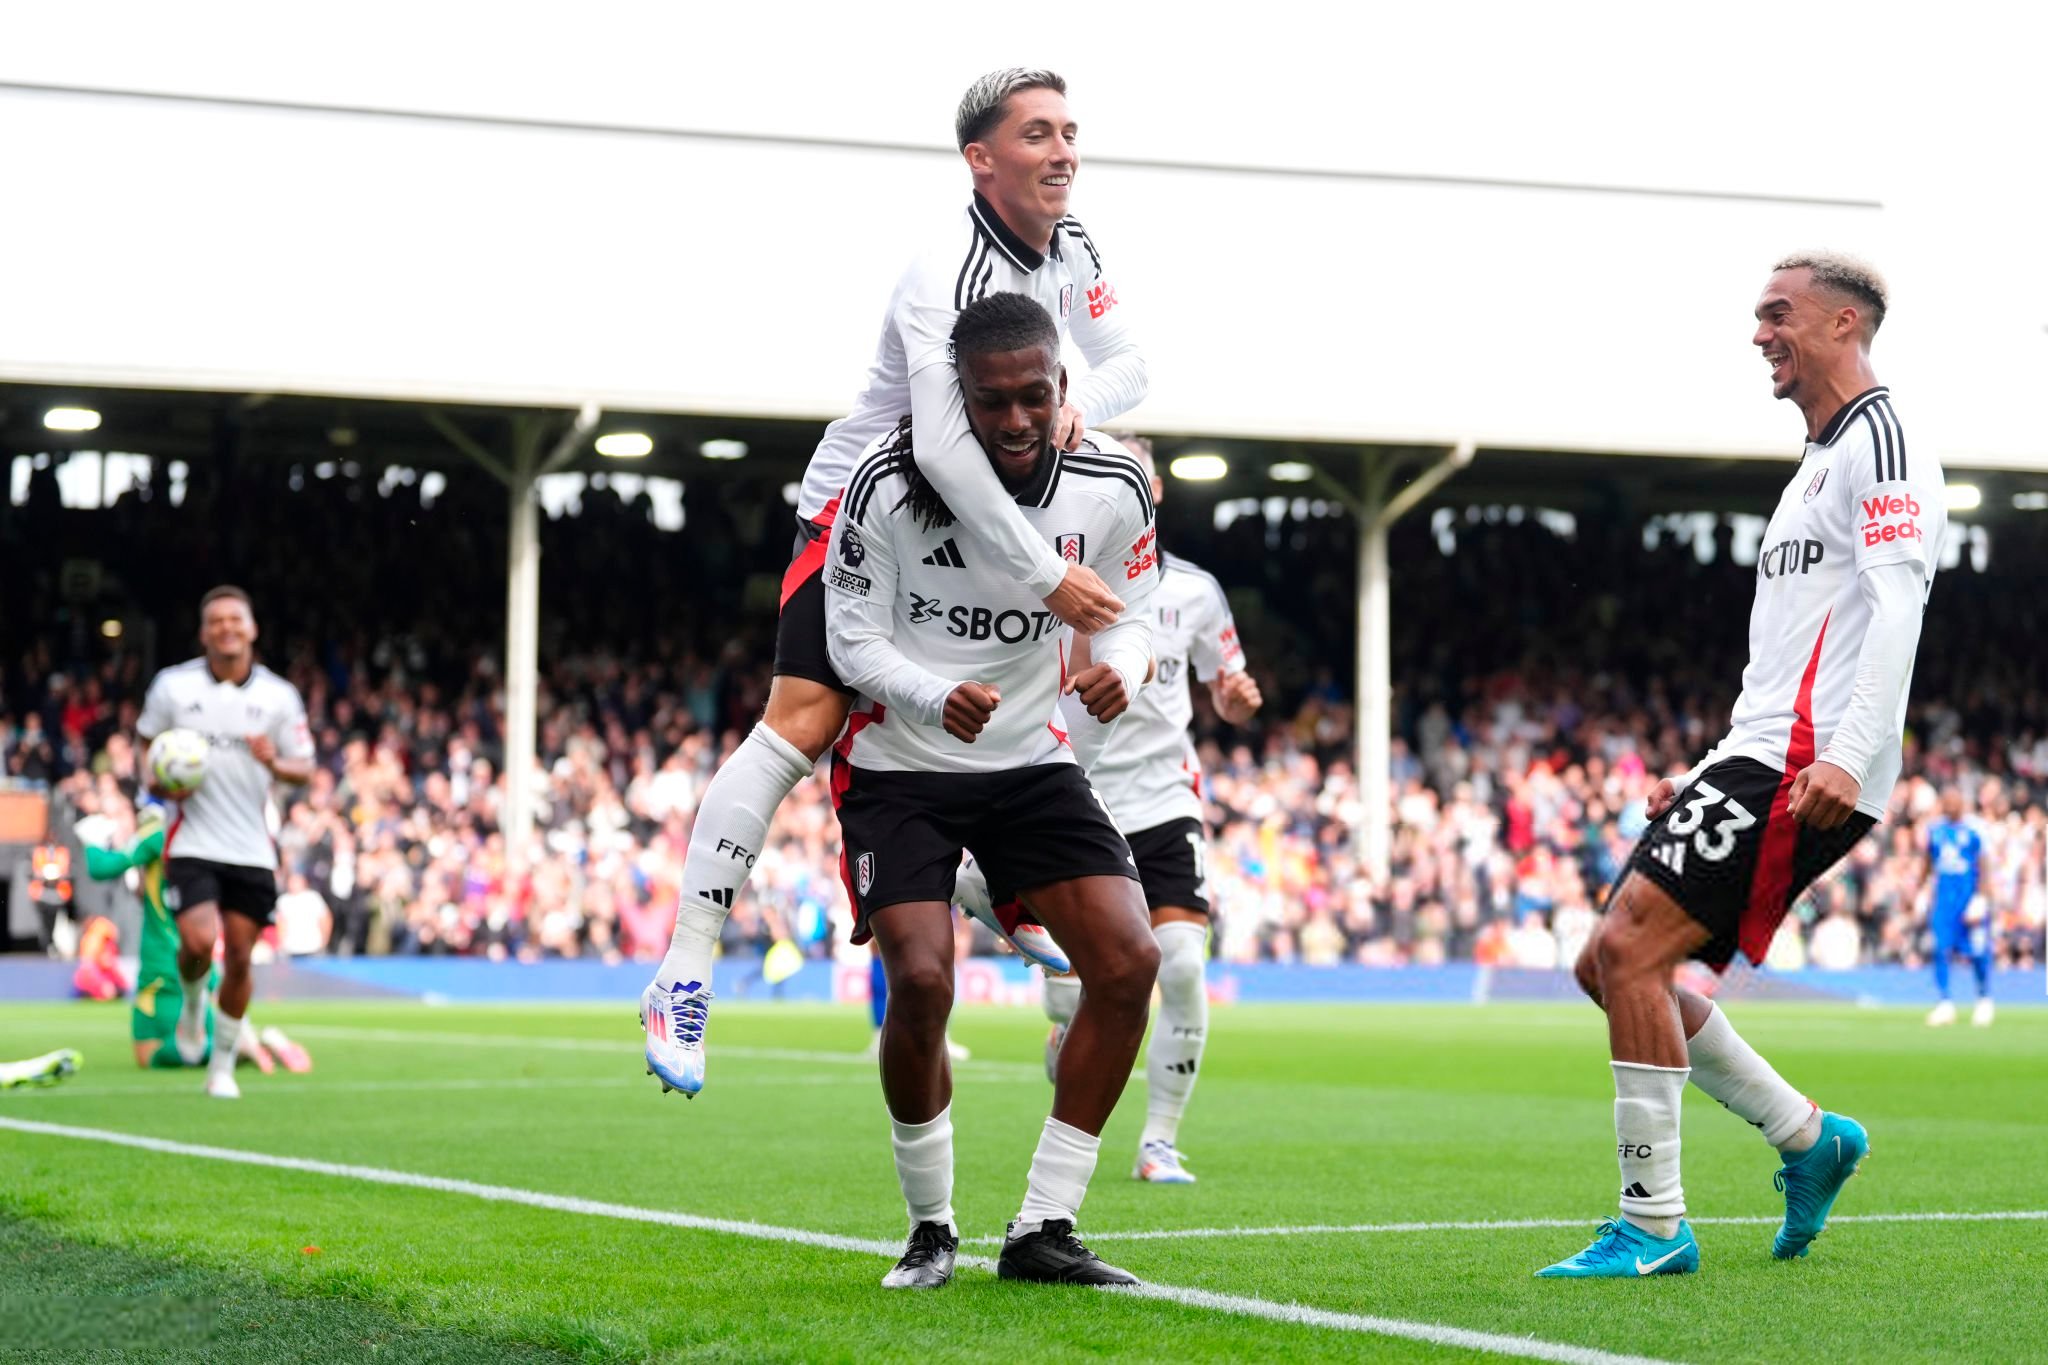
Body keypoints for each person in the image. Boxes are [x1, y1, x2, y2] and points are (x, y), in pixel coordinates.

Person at [642, 67, 1145, 1096]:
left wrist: (1072, 404)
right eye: (1036, 133)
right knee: (805, 720)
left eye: (1069, 131)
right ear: (980, 158)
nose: (1062, 151)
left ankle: (987, 883)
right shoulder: (943, 278)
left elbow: (1128, 362)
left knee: (1034, 706)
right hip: (875, 510)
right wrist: (1045, 571)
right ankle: (683, 969)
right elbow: (947, 459)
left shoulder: (1075, 247)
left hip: (1010, 509)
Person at [1539, 252, 1944, 1278]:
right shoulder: (1817, 461)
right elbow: (1789, 656)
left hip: (1809, 764)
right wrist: (1713, 764)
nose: (1758, 333)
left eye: (1779, 314)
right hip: (1760, 753)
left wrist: (1847, 759)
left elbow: (1896, 611)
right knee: (1607, 964)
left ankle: (1652, 1224)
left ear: (1844, 324)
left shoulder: (1880, 443)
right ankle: (1809, 1138)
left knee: (1628, 950)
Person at [825, 293, 1160, 1289]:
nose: (1013, 421)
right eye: (988, 402)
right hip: (903, 770)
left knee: (1128, 962)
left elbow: (1135, 615)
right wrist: (931, 694)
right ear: (954, 398)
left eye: (1031, 397)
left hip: (1027, 766)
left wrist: (1126, 669)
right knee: (921, 980)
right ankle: (931, 1229)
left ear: (1061, 388)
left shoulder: (1112, 485)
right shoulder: (886, 484)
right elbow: (850, 637)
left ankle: (1042, 1228)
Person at [993, 435, 1261, 1184]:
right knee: (1074, 990)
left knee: (1179, 962)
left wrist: (1236, 700)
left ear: (1153, 494)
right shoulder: (1053, 574)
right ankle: (1065, 1031)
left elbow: (1227, 684)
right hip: (1078, 790)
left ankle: (1160, 1141)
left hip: (1163, 794)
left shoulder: (1196, 593)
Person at [137, 586, 315, 1098]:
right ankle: (193, 1007)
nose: (226, 628)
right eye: (216, 621)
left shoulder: (278, 697)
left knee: (239, 957)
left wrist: (273, 763)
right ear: (203, 632)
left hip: (251, 846)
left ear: (252, 628)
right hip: (192, 838)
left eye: (235, 619)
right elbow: (146, 750)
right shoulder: (172, 687)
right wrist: (159, 783)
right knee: (197, 943)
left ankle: (221, 1068)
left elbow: (304, 767)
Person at [1925, 787, 1994, 1027]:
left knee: (1977, 951)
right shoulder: (1935, 831)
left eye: (1953, 801)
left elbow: (1985, 867)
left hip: (1969, 901)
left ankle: (1984, 999)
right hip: (1944, 904)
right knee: (1940, 950)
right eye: (1945, 801)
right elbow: (1928, 863)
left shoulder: (1975, 830)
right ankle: (1945, 1003)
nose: (1949, 805)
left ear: (1962, 803)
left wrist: (1981, 899)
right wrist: (1921, 891)